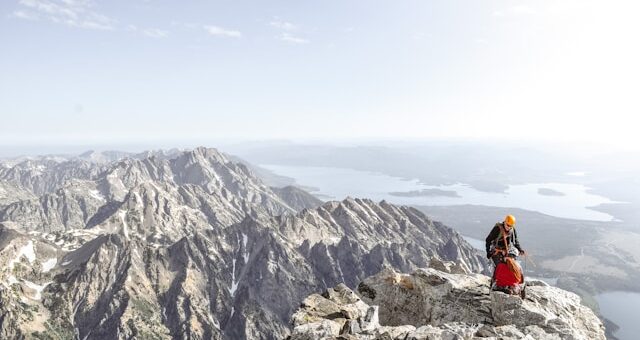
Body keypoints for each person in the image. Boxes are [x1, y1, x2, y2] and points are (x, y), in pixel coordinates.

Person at [485, 214, 526, 288]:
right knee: (497, 265)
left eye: (510, 226)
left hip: (507, 249)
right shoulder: (497, 228)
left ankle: (515, 282)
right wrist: (488, 252)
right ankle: (494, 282)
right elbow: (488, 240)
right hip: (496, 249)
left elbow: (515, 241)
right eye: (507, 225)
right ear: (504, 222)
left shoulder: (512, 229)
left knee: (512, 265)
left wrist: (520, 249)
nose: (508, 227)